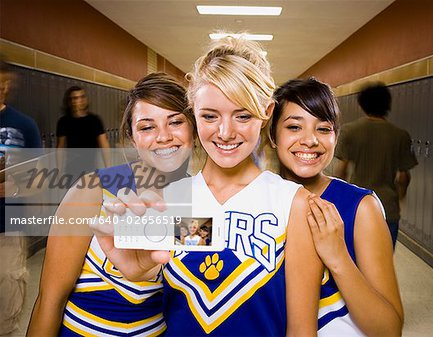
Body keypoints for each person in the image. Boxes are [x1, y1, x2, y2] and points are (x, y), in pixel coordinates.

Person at [93, 37, 323, 336]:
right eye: (210, 116)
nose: (226, 132)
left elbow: (302, 330)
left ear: (266, 111)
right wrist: (140, 272)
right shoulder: (167, 200)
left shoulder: (294, 202)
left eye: (242, 115)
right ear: (193, 112)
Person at [27, 72, 194, 336]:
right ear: (131, 137)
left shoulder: (199, 197)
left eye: (175, 122)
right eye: (147, 126)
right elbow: (49, 302)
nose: (163, 137)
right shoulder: (92, 191)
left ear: (193, 129)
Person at [271, 78, 404, 336]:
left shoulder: (361, 207)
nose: (310, 140)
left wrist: (338, 258)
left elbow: (389, 330)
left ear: (336, 137)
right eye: (294, 126)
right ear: (273, 134)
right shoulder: (255, 198)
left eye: (323, 129)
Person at [334, 82, 417, 247]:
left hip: (357, 204)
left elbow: (341, 171)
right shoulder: (400, 135)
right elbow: (404, 177)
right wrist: (400, 197)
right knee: (383, 261)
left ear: (362, 104)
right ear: (387, 104)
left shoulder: (350, 131)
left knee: (356, 258)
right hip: (388, 207)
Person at [0, 57, 42, 335]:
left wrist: (13, 187)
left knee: (8, 289)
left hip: (7, 224)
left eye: (4, 82)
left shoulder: (23, 125)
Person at [56, 85, 111, 185]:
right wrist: (59, 171)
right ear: (69, 102)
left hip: (90, 168)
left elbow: (104, 145)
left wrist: (109, 168)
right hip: (71, 170)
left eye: (81, 97)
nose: (78, 101)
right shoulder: (63, 122)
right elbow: (60, 148)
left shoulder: (94, 120)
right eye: (74, 98)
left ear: (85, 100)